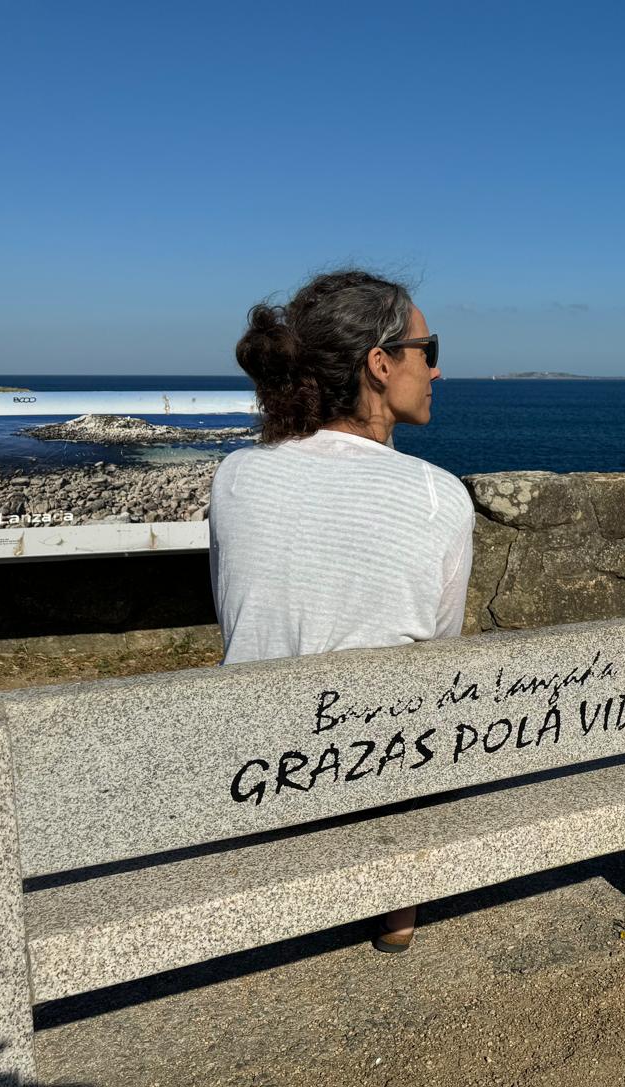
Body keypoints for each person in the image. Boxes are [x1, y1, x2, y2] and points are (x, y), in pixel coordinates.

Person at [210, 269, 474, 952]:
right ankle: (395, 907)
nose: (438, 370)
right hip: (373, 774)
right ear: (380, 365)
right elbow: (443, 648)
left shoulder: (235, 475)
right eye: (429, 349)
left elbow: (237, 615)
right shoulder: (437, 495)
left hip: (256, 776)